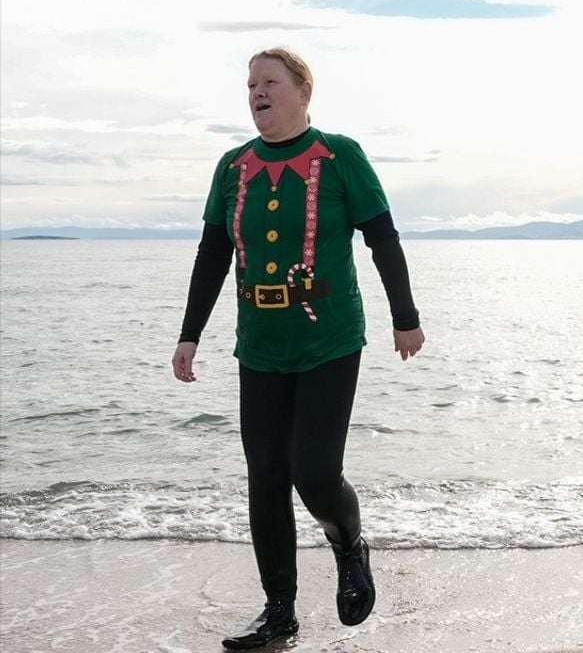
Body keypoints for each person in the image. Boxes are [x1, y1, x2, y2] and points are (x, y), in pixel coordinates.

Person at [170, 47, 426, 650]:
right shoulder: (232, 167)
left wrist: (406, 317)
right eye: (251, 84)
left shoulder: (340, 155)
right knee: (265, 476)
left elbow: (382, 236)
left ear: (303, 91)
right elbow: (212, 255)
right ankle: (278, 611)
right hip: (259, 343)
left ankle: (348, 545)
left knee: (313, 471)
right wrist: (190, 333)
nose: (258, 92)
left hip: (330, 337)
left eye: (270, 82)